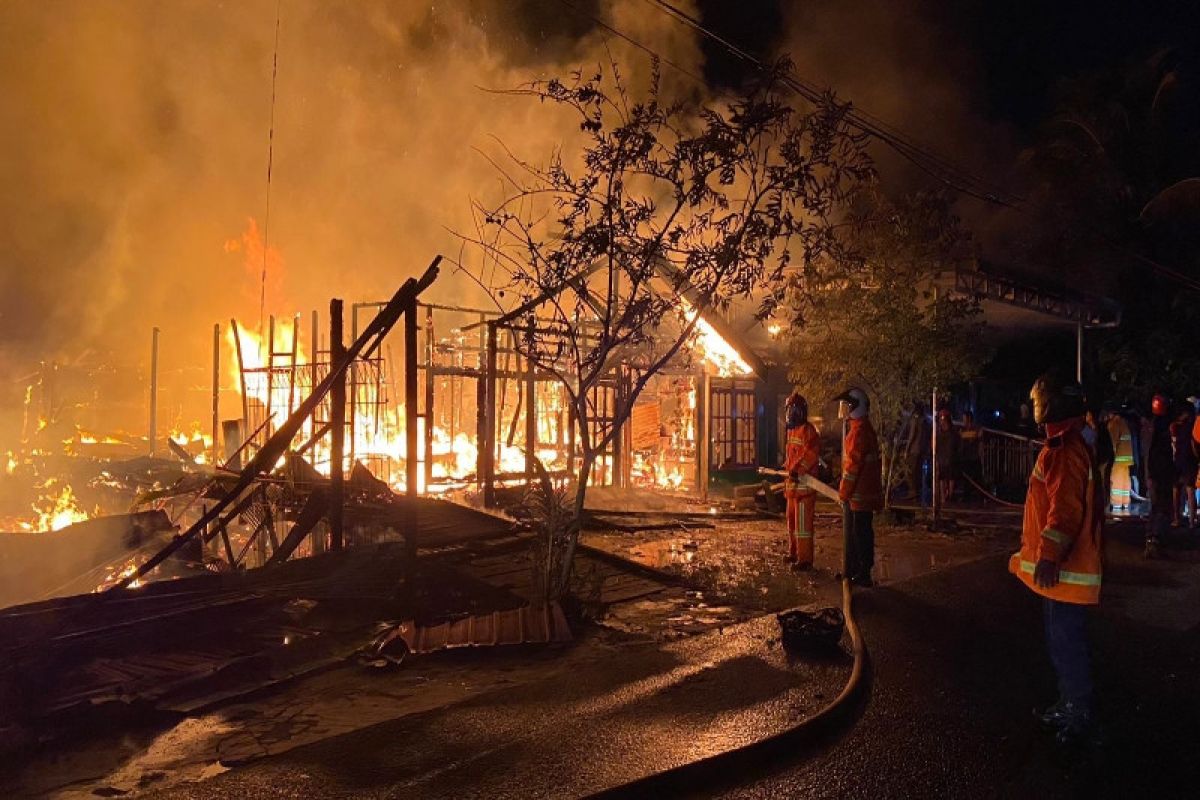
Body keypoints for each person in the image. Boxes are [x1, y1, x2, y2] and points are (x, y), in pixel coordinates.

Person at [1010, 371, 1102, 746]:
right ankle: (1070, 704)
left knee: (1067, 644)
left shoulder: (1064, 450)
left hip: (1066, 571)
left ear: (1050, 403)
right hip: (1067, 571)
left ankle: (1079, 712)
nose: (1034, 409)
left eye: (1037, 402)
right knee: (1062, 642)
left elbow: (1063, 512)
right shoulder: (1067, 445)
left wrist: (1048, 557)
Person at [835, 387, 883, 587]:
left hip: (860, 493)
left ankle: (863, 572)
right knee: (859, 531)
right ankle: (855, 569)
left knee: (860, 533)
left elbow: (852, 467)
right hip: (864, 492)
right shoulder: (862, 427)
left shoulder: (859, 432)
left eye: (847, 406)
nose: (844, 410)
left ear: (856, 407)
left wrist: (844, 491)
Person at [781, 391, 821, 570]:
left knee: (803, 527)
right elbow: (791, 457)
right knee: (791, 523)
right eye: (789, 410)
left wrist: (798, 469)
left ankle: (805, 560)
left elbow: (810, 455)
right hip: (792, 487)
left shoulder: (809, 431)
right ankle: (794, 553)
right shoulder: (792, 431)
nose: (790, 414)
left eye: (792, 410)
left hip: (804, 488)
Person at [1146, 394, 1174, 558]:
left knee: (1156, 507)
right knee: (1160, 507)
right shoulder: (1162, 428)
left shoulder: (1153, 426)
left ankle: (1152, 540)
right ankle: (1155, 541)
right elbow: (1163, 454)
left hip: (1154, 473)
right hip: (1159, 474)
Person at [1171, 404, 1197, 527]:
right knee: (1189, 490)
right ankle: (1192, 521)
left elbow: (1174, 444)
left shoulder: (1176, 426)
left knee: (1177, 490)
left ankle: (1177, 519)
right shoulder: (1193, 427)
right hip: (1189, 461)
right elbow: (1194, 444)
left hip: (1179, 461)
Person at [1086, 409, 1114, 511]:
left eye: (1088, 416)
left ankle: (1104, 504)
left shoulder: (1099, 430)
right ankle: (1104, 503)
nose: (1087, 419)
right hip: (1104, 459)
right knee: (1103, 481)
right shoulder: (1101, 429)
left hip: (1103, 459)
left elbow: (1099, 446)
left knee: (1102, 482)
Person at [903, 401, 931, 504]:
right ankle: (916, 493)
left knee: (910, 471)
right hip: (922, 450)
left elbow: (912, 436)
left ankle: (912, 491)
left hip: (914, 450)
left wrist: (907, 449)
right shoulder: (926, 421)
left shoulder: (915, 420)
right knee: (918, 472)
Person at [1106, 410, 1134, 510]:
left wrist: (1110, 457)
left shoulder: (1114, 424)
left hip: (1118, 458)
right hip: (1127, 459)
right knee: (1125, 480)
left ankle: (1116, 503)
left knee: (1116, 481)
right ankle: (1125, 502)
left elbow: (1112, 442)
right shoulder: (1124, 423)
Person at [934, 408, 959, 505]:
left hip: (950, 458)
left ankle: (950, 495)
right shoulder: (939, 433)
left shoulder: (953, 433)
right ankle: (943, 497)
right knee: (942, 478)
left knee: (950, 477)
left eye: (943, 418)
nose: (941, 421)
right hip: (942, 458)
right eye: (940, 418)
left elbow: (956, 445)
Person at [959, 410, 983, 501]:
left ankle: (981, 495)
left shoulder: (976, 428)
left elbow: (979, 438)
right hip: (966, 456)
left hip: (974, 456)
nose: (963, 420)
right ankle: (967, 495)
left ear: (969, 419)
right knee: (967, 478)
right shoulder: (962, 429)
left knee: (977, 477)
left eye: (964, 418)